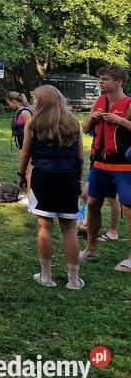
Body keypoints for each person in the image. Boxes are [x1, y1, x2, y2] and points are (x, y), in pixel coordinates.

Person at [19, 85, 84, 289]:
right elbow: (80, 158)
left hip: (43, 177)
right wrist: (78, 180)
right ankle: (74, 279)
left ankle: (46, 276)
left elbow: (25, 153)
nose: (33, 101)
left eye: (35, 98)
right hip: (68, 177)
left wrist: (21, 175)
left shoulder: (33, 124)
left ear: (41, 101)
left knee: (44, 225)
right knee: (69, 227)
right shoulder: (74, 123)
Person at [81, 64, 131, 273]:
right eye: (100, 79)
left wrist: (120, 120)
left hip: (124, 165)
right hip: (99, 164)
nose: (101, 82)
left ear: (119, 82)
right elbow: (85, 129)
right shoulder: (99, 101)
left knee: (129, 209)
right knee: (92, 203)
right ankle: (91, 249)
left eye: (105, 79)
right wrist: (93, 118)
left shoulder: (129, 103)